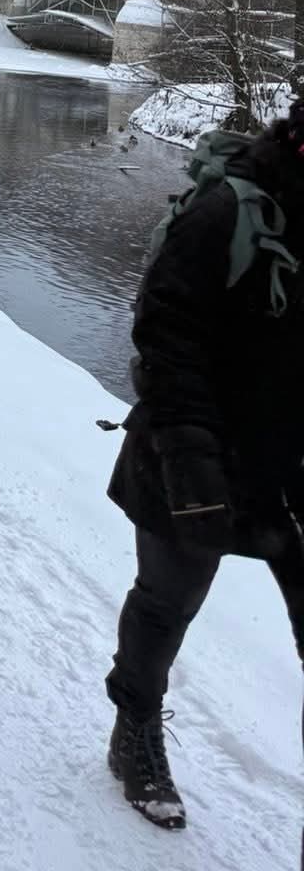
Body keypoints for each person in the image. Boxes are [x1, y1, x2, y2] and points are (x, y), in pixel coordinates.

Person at [102, 101, 304, 832]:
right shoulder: (227, 213)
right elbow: (165, 333)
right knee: (168, 601)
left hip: (291, 466)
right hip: (195, 455)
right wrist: (190, 464)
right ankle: (135, 726)